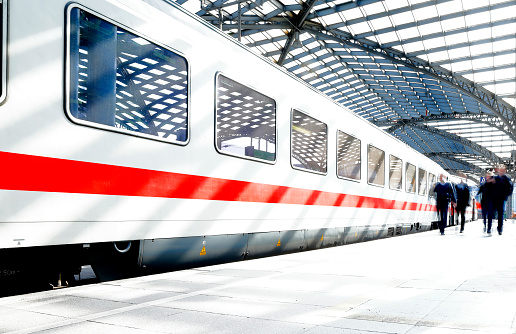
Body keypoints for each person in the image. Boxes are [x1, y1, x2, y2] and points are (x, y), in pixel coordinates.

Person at [492, 164, 513, 235]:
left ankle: (500, 228)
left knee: (500, 213)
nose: (501, 172)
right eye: (500, 170)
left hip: (502, 198)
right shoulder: (495, 178)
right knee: (494, 211)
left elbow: (510, 187)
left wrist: (507, 195)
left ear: (504, 171)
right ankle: (494, 224)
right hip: (495, 198)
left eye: (502, 170)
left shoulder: (507, 178)